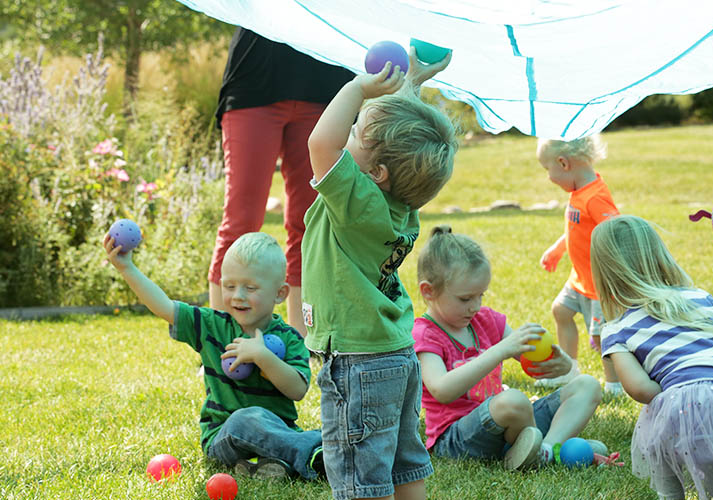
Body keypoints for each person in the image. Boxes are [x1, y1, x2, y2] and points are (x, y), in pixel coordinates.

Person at [300, 48, 457, 500]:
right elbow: (400, 145)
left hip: (355, 358)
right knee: (403, 460)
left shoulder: (356, 203)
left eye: (356, 135)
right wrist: (412, 83)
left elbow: (319, 145)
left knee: (360, 474)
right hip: (394, 352)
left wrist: (357, 88)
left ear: (375, 173)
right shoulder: (403, 209)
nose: (347, 133)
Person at [104, 231, 324, 480]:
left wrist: (264, 357)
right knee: (246, 419)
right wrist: (127, 269)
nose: (238, 295)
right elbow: (165, 307)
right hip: (224, 437)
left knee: (321, 425)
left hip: (278, 433)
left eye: (250, 288)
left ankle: (267, 465)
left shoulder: (290, 338)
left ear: (280, 294)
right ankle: (314, 456)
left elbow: (297, 390)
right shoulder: (212, 325)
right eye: (229, 286)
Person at [413, 226, 605, 470]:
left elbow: (531, 361)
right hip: (457, 438)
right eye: (465, 299)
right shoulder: (425, 334)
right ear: (428, 291)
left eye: (480, 295)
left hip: (511, 426)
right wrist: (501, 350)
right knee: (514, 400)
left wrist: (561, 362)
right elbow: (442, 390)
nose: (475, 306)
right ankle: (543, 449)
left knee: (587, 386)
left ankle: (544, 449)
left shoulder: (485, 320)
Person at [209, 27, 354, 335]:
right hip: (255, 81)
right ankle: (219, 340)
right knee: (241, 221)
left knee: (310, 222)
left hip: (325, 85)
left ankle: (301, 341)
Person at [591, 215, 713, 500]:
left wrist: (673, 398)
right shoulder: (700, 298)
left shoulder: (615, 329)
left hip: (681, 409)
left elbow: (639, 389)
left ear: (604, 273)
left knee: (658, 431)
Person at [535, 134, 622, 394]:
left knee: (602, 335)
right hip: (579, 278)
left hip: (598, 284)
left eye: (547, 169)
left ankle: (615, 384)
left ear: (563, 163)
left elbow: (614, 230)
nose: (548, 177)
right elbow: (577, 229)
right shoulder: (579, 191)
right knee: (561, 311)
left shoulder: (594, 197)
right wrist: (558, 249)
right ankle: (568, 370)